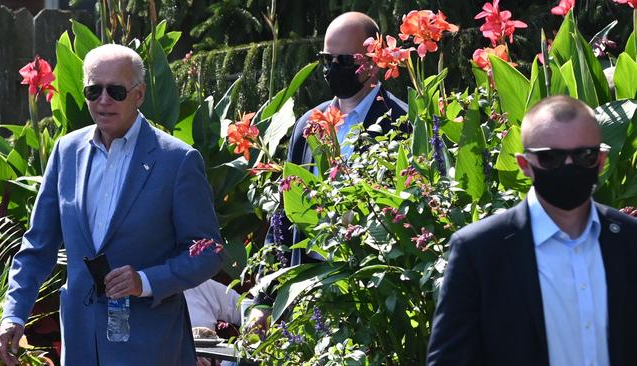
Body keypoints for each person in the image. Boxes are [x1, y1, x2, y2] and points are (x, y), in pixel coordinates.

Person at [0, 44, 223, 365]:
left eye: (116, 91)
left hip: (151, 347)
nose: (103, 100)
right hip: (81, 346)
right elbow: (37, 246)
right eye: (93, 90)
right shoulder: (66, 152)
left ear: (139, 94)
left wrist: (144, 282)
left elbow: (209, 251)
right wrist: (14, 316)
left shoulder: (177, 160)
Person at [426, 95, 637, 366]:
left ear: (601, 160)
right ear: (525, 165)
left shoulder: (631, 241)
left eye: (584, 155)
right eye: (551, 157)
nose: (569, 166)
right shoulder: (479, 252)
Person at [248, 11, 408, 328]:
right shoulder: (308, 125)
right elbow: (283, 217)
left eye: (344, 61)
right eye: (327, 59)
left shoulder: (402, 123)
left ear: (373, 61)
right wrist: (264, 300)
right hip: (308, 294)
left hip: (371, 299)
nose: (333, 70)